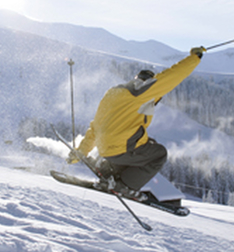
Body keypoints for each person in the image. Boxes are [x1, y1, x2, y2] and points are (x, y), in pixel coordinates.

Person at [68, 46, 206, 199]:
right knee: (158, 154)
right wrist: (194, 58)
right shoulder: (141, 93)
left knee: (146, 145)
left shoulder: (113, 95)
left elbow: (95, 127)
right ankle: (125, 186)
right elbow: (172, 76)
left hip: (105, 150)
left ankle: (108, 171)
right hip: (120, 149)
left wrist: (81, 152)